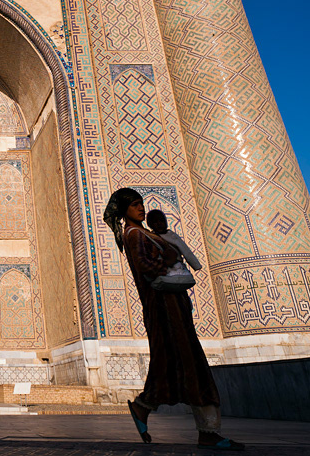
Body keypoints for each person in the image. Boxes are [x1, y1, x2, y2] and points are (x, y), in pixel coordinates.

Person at [104, 187, 245, 451]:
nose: (141, 209)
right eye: (135, 205)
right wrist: (168, 258)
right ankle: (207, 431)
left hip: (171, 307)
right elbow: (145, 267)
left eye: (141, 204)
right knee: (192, 364)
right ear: (124, 210)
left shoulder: (145, 233)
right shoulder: (133, 234)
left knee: (171, 362)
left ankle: (144, 407)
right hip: (164, 308)